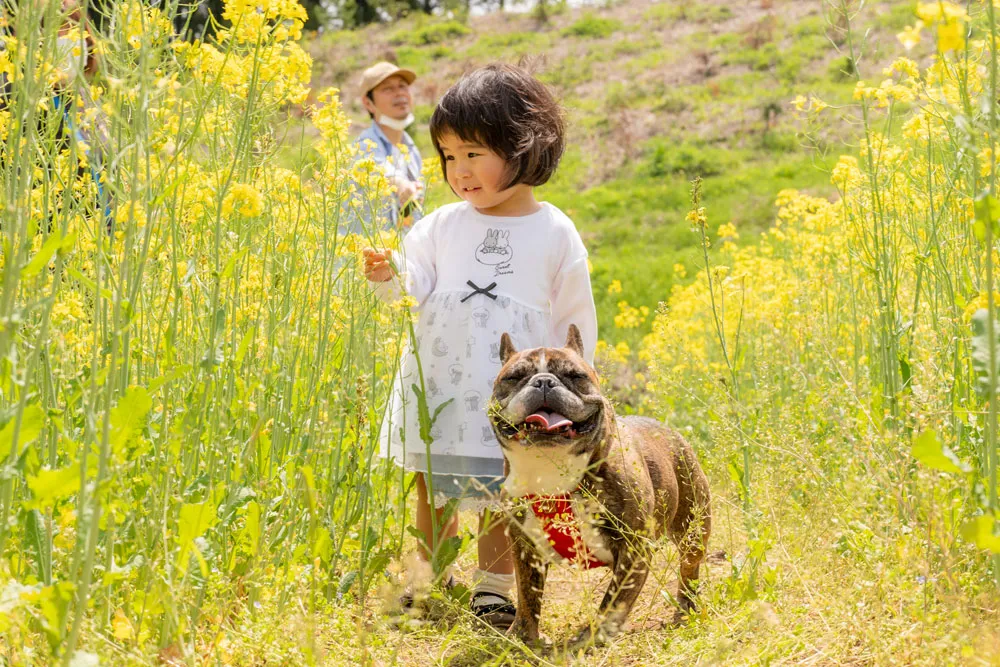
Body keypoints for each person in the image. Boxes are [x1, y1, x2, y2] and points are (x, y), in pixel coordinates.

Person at [363, 63, 598, 630]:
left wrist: (576, 387)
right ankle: (428, 576)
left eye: (473, 153)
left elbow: (572, 317)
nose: (459, 171)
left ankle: (493, 586)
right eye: (448, 157)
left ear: (524, 146)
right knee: (432, 484)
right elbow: (413, 280)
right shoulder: (441, 224)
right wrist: (387, 271)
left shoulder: (555, 230)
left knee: (503, 489)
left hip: (512, 395)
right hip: (441, 385)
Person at [351, 61, 424, 233]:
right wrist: (400, 184)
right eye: (388, 89)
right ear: (368, 103)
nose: (399, 93)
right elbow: (378, 169)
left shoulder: (411, 150)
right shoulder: (364, 146)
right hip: (366, 256)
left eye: (403, 86)